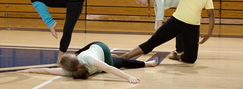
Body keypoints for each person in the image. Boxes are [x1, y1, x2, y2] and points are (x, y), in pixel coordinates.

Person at [134, 0, 237, 59]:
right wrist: (155, 39)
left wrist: (154, 39)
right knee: (180, 26)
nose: (141, 4)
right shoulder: (156, 3)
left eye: (140, 2)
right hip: (187, 1)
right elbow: (158, 22)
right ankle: (180, 50)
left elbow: (160, 17)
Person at [18, 42, 158, 84]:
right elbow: (108, 68)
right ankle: (148, 64)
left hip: (99, 51)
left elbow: (48, 71)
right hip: (100, 53)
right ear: (75, 59)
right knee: (119, 61)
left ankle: (111, 53)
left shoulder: (68, 71)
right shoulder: (85, 58)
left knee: (117, 61)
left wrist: (29, 70)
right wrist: (128, 78)